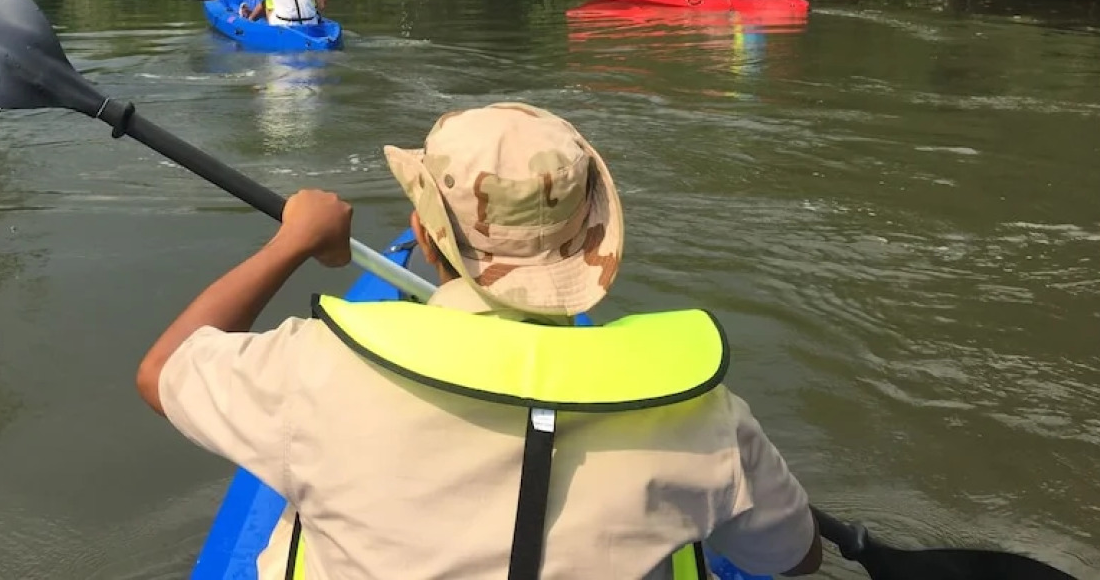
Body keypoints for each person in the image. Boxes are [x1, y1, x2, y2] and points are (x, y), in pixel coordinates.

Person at [136, 102, 823, 580]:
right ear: (592, 244)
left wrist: (292, 241)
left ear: (426, 232)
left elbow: (163, 369)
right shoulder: (706, 417)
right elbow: (795, 558)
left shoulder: (314, 370)